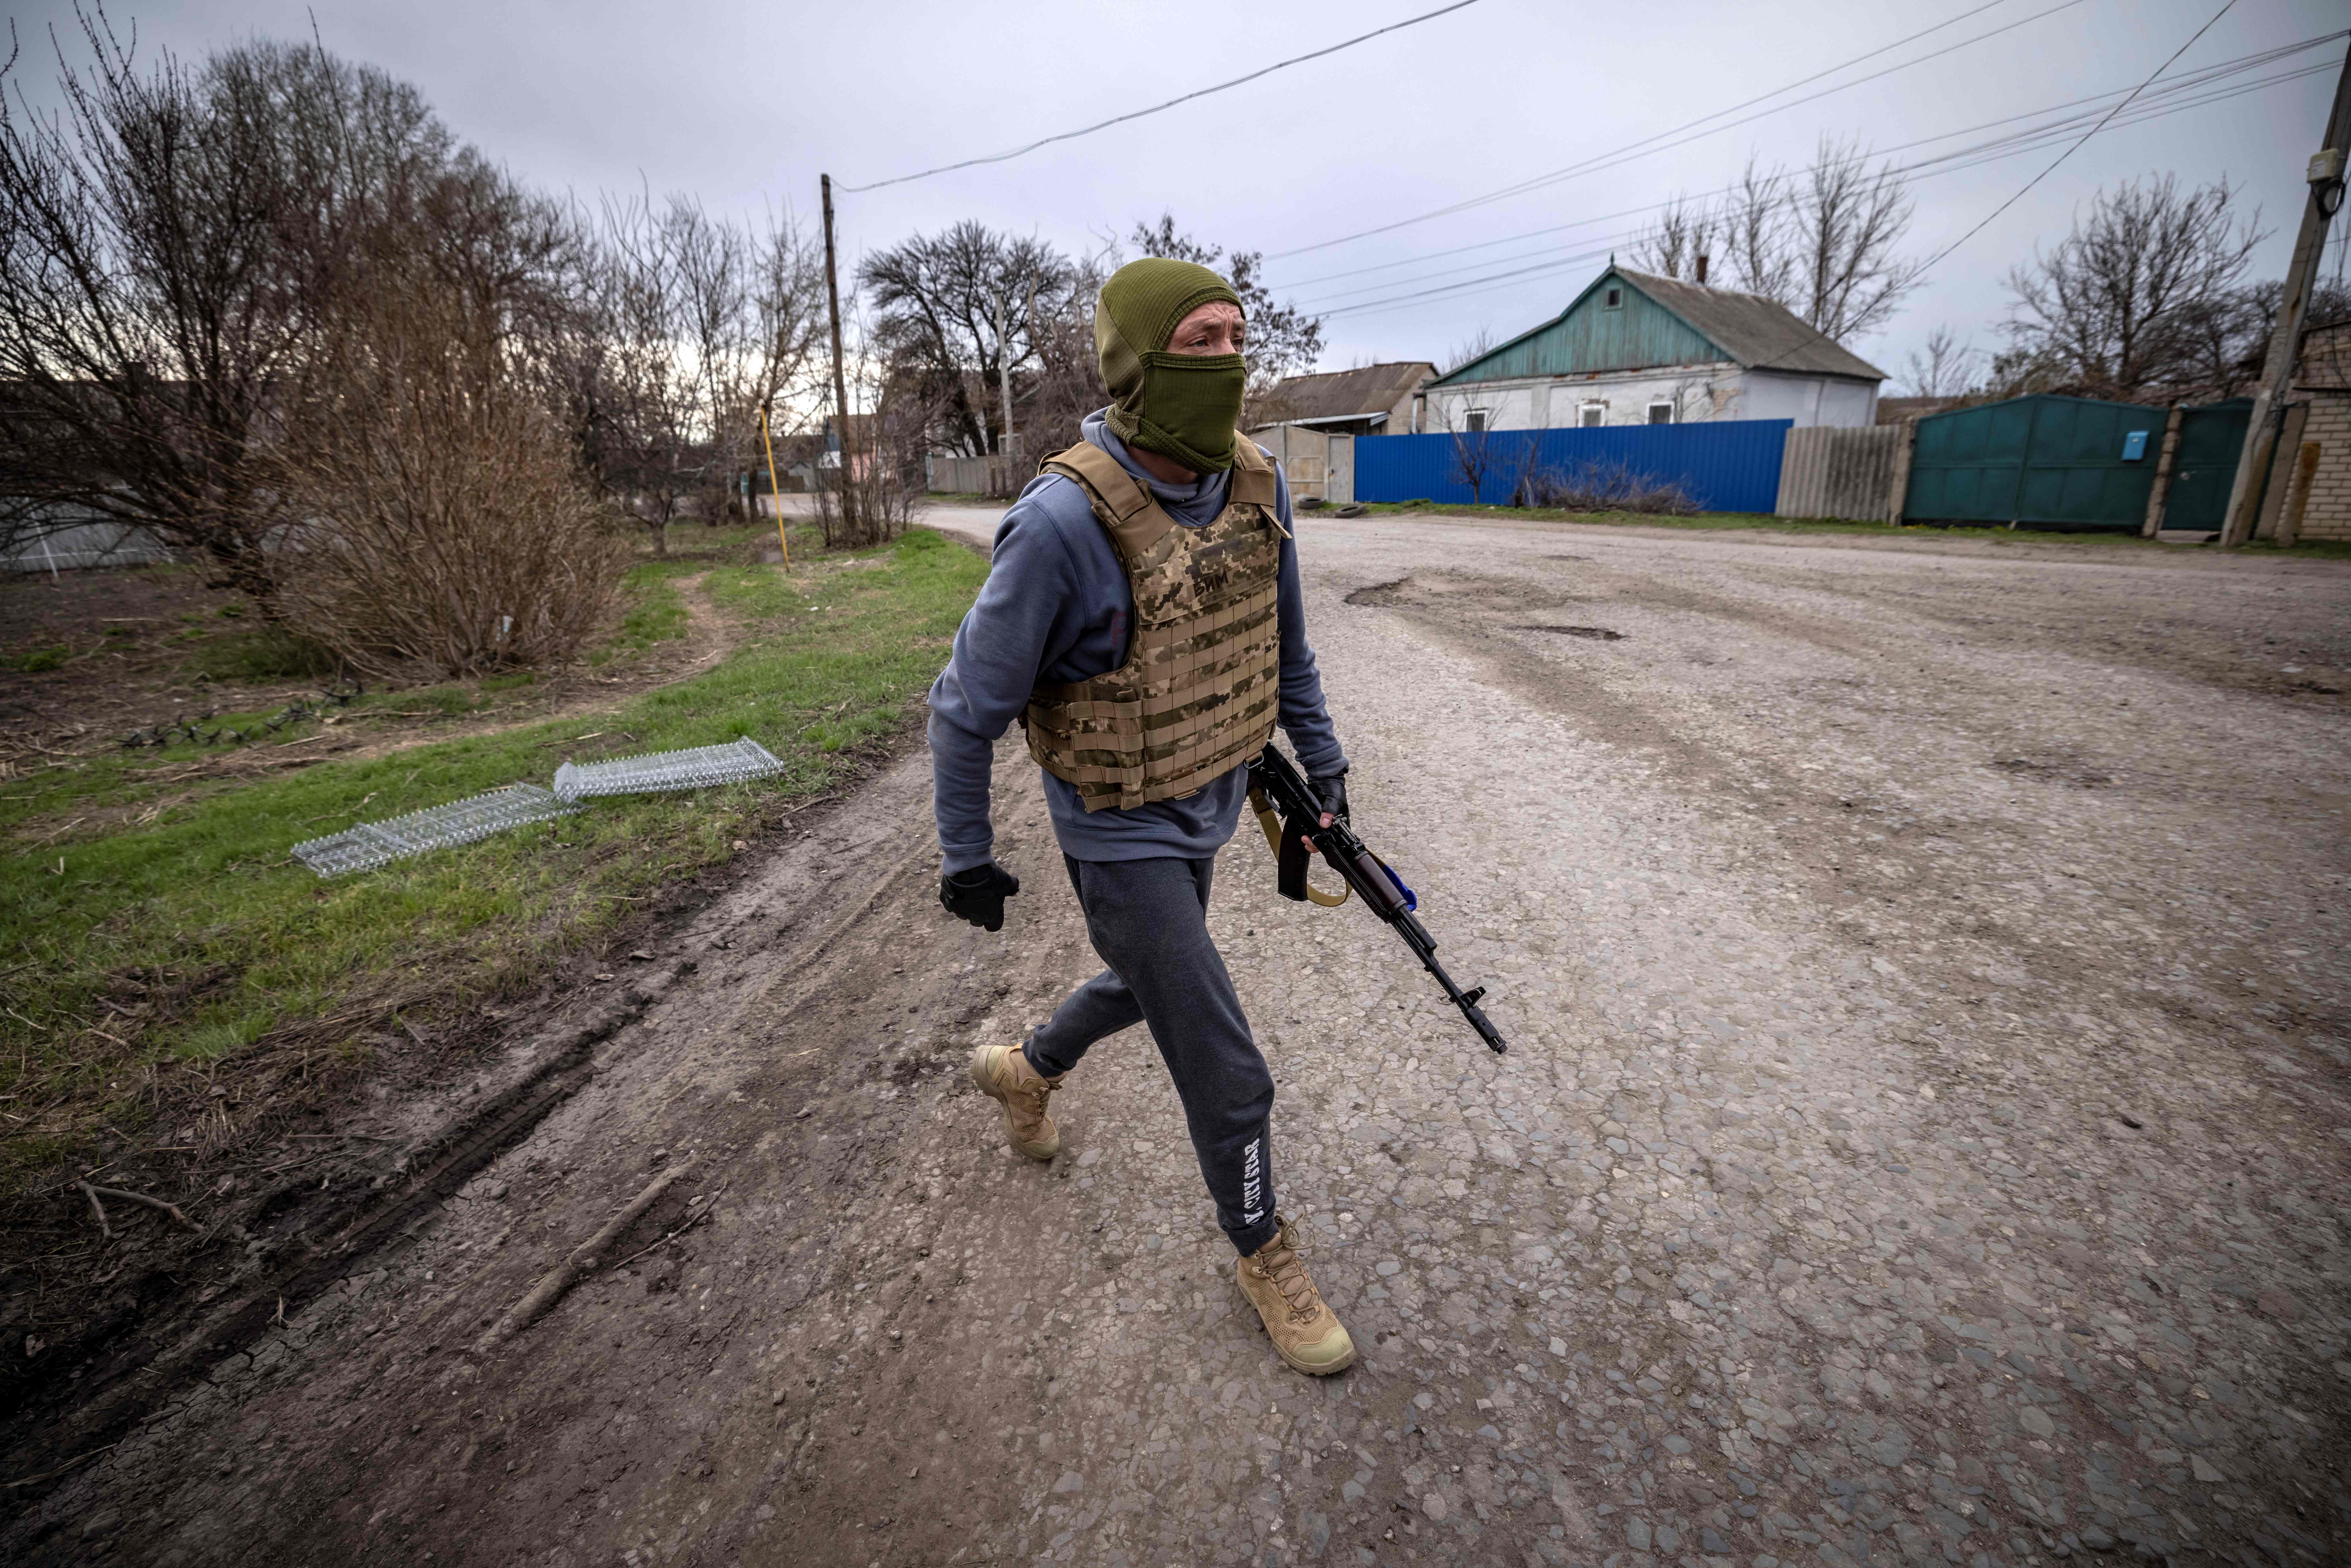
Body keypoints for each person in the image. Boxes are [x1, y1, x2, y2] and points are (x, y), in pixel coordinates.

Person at [927, 257, 1357, 1376]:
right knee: (1225, 1063)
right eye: (1197, 341)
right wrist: (965, 855)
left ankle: (1026, 1068)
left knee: (1151, 982)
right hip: (1115, 830)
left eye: (1234, 337)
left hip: (1208, 794)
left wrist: (1326, 777)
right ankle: (1260, 1248)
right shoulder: (1062, 523)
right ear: (1133, 363)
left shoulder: (1256, 483)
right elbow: (962, 707)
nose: (1226, 360)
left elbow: (1286, 652)